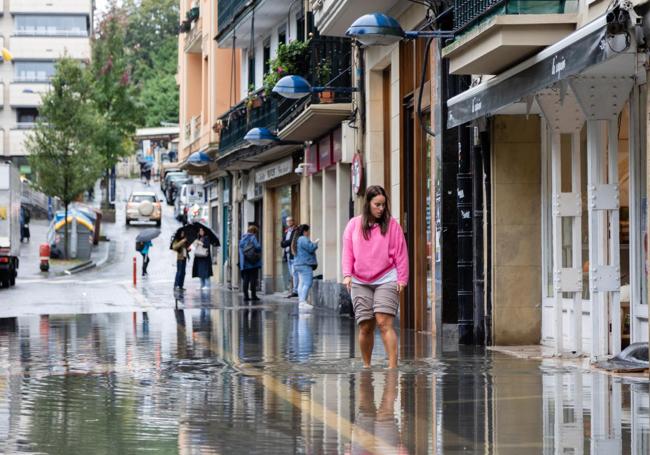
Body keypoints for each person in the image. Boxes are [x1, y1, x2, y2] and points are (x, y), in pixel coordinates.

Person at [342, 185, 408, 369]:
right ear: (368, 204)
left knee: (384, 322)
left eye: (383, 205)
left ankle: (393, 367)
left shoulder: (392, 225)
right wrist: (347, 275)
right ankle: (367, 365)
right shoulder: (354, 225)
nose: (381, 209)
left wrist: (402, 279)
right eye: (377, 205)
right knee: (365, 326)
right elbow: (347, 252)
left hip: (387, 277)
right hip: (360, 280)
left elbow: (401, 254)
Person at [292, 224, 318, 309]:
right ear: (304, 231)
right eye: (308, 231)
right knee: (307, 283)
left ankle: (301, 301)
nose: (309, 233)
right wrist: (316, 243)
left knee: (301, 283)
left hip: (298, 264)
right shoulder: (303, 239)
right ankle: (303, 302)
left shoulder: (297, 239)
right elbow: (310, 248)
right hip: (305, 264)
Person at [239, 224, 262, 301]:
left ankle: (246, 296)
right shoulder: (253, 237)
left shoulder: (242, 239)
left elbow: (241, 250)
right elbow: (258, 247)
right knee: (253, 279)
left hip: (244, 262)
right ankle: (253, 295)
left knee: (246, 279)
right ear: (254, 232)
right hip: (253, 262)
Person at [281, 216, 299, 298]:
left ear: (293, 221)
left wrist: (284, 243)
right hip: (287, 254)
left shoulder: (296, 230)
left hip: (293, 254)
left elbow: (291, 240)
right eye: (287, 221)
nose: (288, 222)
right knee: (292, 273)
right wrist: (284, 243)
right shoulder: (286, 231)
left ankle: (296, 290)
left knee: (295, 273)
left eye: (289, 221)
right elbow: (282, 242)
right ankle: (293, 289)